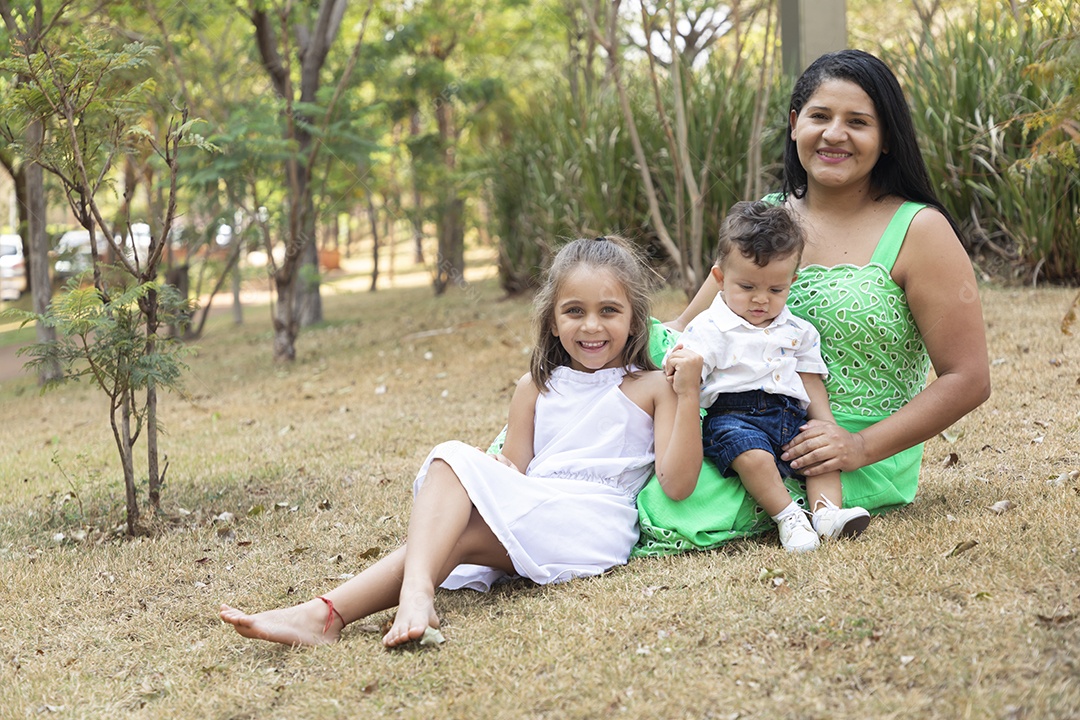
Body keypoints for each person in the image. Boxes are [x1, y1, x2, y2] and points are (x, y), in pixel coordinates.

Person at [220, 236, 704, 648]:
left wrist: (688, 396)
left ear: (634, 319)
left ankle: (403, 595)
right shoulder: (534, 388)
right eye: (574, 311)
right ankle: (327, 616)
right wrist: (489, 469)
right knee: (455, 505)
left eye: (609, 311)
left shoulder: (653, 387)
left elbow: (678, 484)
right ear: (553, 321)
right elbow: (514, 471)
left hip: (592, 523)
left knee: (449, 473)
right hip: (536, 505)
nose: (591, 325)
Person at [633, 49, 991, 557]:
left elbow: (968, 377)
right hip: (740, 422)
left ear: (887, 138)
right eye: (820, 116)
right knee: (624, 457)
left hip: (848, 450)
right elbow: (686, 327)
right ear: (795, 123)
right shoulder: (767, 222)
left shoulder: (920, 229)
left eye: (858, 122)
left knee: (666, 509)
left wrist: (857, 446)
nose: (834, 134)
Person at [669, 200, 870, 553]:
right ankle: (789, 517)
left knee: (818, 452)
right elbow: (686, 371)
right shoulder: (709, 328)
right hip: (734, 417)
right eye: (747, 287)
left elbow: (810, 379)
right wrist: (681, 367)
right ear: (720, 279)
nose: (761, 300)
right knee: (752, 456)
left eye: (776, 290)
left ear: (791, 281)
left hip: (789, 412)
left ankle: (826, 512)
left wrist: (825, 424)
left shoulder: (798, 330)